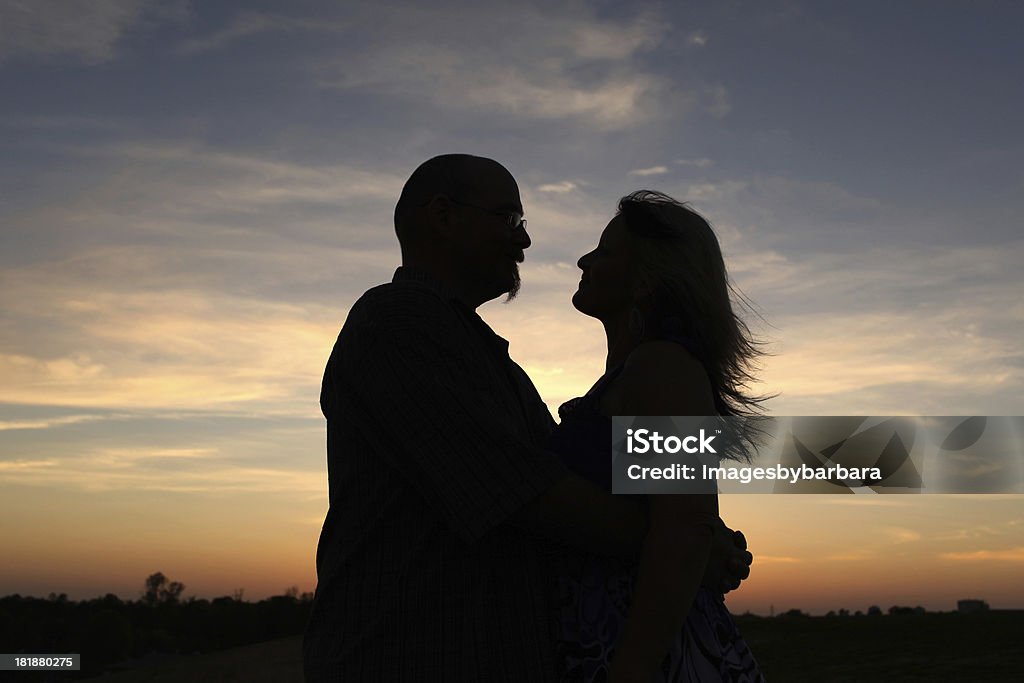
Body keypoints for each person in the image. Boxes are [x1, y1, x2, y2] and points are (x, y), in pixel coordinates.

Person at [303, 156, 753, 682]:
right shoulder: (398, 325)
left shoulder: (501, 360)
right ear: (444, 217)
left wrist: (694, 534)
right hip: (412, 653)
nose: (526, 243)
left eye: (605, 251)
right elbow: (525, 492)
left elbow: (674, 505)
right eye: (511, 220)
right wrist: (692, 544)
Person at [548, 191, 766, 682]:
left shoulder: (662, 366)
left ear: (650, 273)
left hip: (654, 656)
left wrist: (630, 672)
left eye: (604, 250)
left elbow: (684, 531)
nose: (584, 259)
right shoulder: (639, 372)